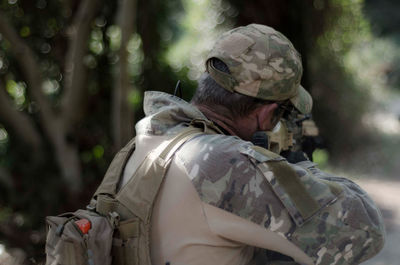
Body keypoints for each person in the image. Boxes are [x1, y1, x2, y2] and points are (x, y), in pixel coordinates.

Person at [115, 24, 385, 265]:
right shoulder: (225, 163)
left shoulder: (146, 139)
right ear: (266, 114)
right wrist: (294, 168)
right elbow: (365, 230)